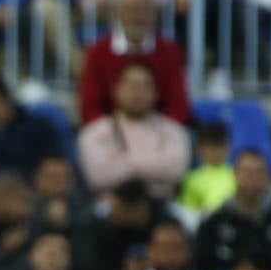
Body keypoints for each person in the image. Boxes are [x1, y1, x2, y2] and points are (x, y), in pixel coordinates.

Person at [76, 62, 190, 202]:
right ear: (116, 90)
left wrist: (124, 163)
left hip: (162, 205)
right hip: (111, 208)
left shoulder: (174, 131)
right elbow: (98, 177)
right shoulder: (94, 133)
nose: (138, 93)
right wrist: (155, 165)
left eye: (144, 87)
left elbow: (175, 171)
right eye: (131, 86)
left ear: (155, 92)